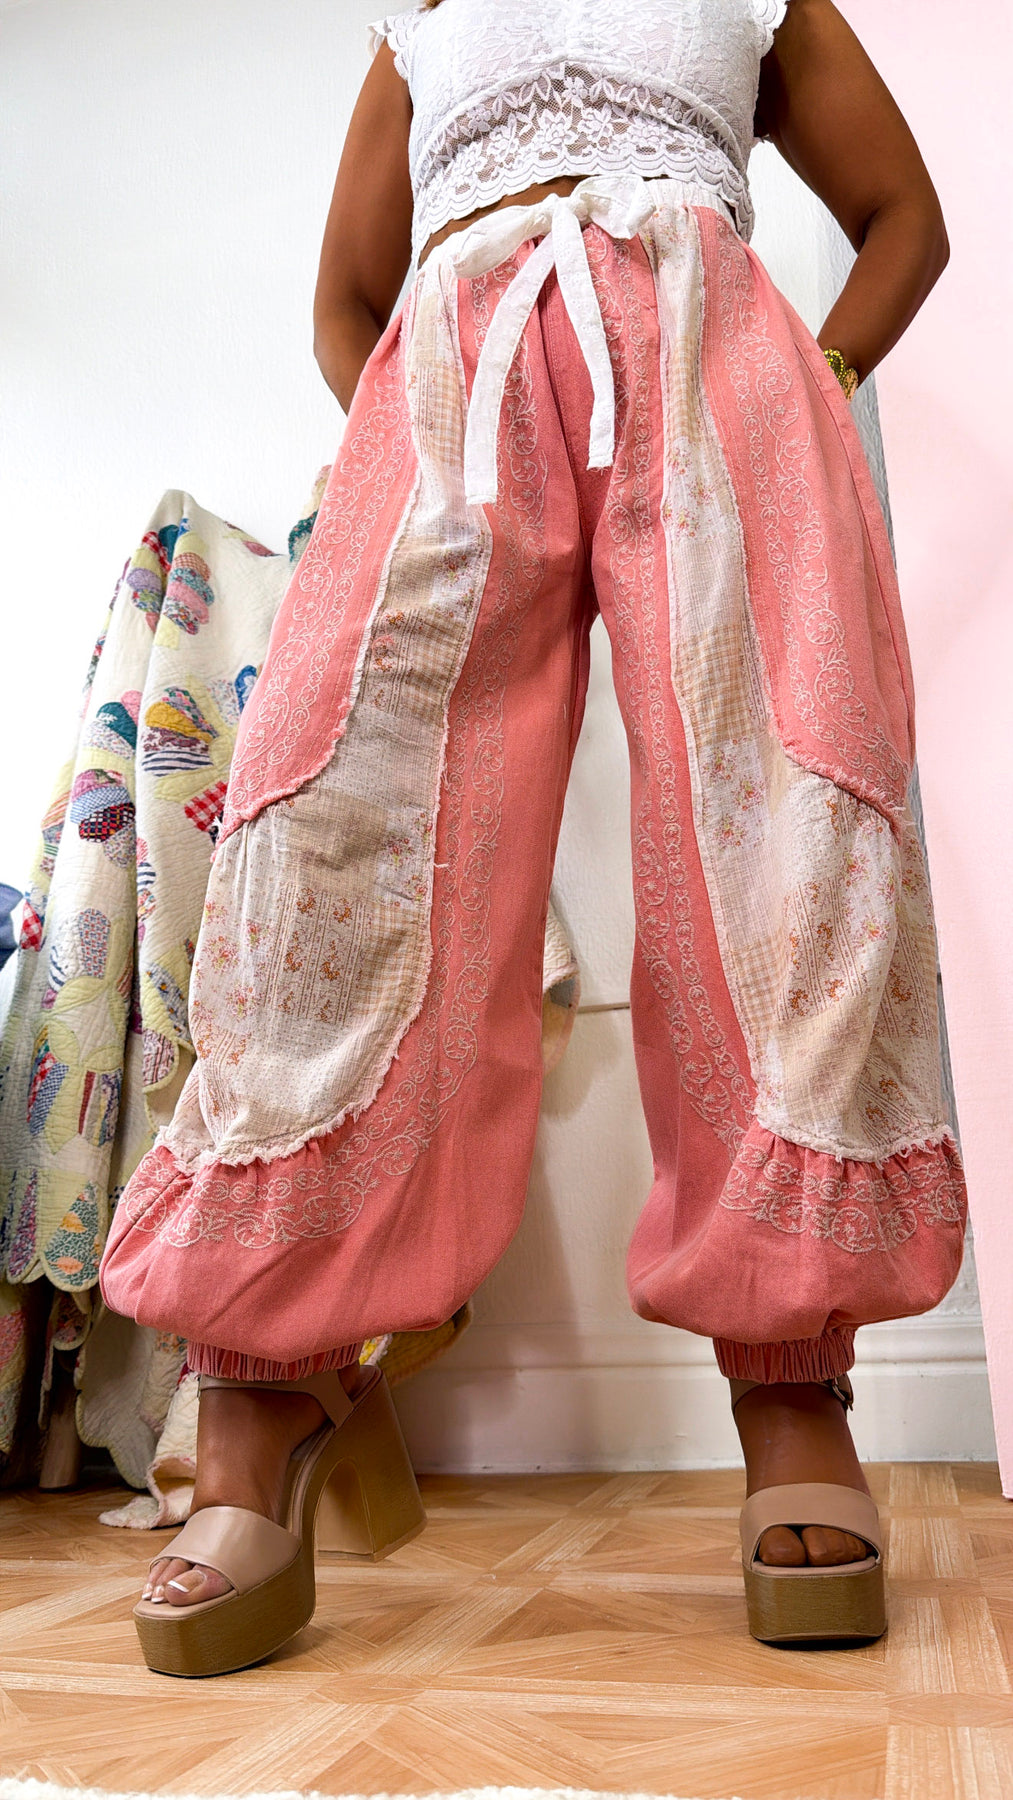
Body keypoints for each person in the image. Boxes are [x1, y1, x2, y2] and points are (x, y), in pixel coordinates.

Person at [98, 0, 965, 1676]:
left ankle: (791, 1385)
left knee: (785, 832)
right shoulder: (417, 26)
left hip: (713, 365)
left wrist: (808, 379)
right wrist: (417, 436)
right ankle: (262, 1390)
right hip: (454, 390)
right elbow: (347, 297)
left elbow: (900, 217)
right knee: (329, 827)